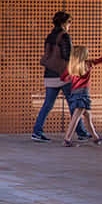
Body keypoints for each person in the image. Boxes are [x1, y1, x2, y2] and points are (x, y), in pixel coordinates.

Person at [61, 44, 102, 146]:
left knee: (87, 116)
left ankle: (96, 137)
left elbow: (63, 78)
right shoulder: (88, 64)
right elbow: (100, 60)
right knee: (76, 117)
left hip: (75, 92)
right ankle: (67, 139)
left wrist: (70, 78)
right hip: (83, 93)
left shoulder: (71, 66)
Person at [30, 10, 72, 142]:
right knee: (74, 104)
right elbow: (67, 55)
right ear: (63, 23)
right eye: (69, 22)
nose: (70, 24)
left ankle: (37, 131)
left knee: (47, 104)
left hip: (49, 74)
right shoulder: (64, 36)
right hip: (62, 75)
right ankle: (82, 132)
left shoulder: (49, 36)